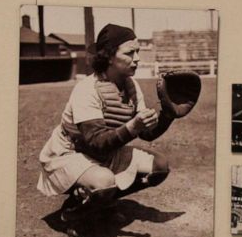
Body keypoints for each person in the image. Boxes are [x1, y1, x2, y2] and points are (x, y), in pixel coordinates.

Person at [36, 24, 184, 226]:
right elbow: (96, 141)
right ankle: (73, 212)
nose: (137, 58)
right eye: (130, 53)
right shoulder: (87, 89)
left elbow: (147, 134)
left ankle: (105, 201)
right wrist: (133, 126)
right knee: (104, 182)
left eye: (138, 51)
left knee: (159, 167)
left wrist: (167, 116)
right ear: (109, 57)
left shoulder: (131, 85)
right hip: (70, 153)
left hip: (105, 153)